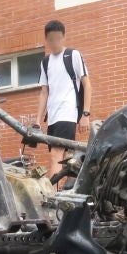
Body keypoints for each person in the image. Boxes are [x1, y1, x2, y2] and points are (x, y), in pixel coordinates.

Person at [35, 20, 94, 181]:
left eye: (58, 39)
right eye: (51, 40)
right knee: (66, 157)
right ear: (46, 40)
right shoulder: (45, 62)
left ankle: (49, 195)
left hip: (67, 113)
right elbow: (44, 93)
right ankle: (65, 193)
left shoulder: (72, 55)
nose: (55, 43)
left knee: (56, 155)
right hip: (53, 117)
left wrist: (85, 114)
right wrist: (37, 122)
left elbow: (86, 84)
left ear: (64, 37)